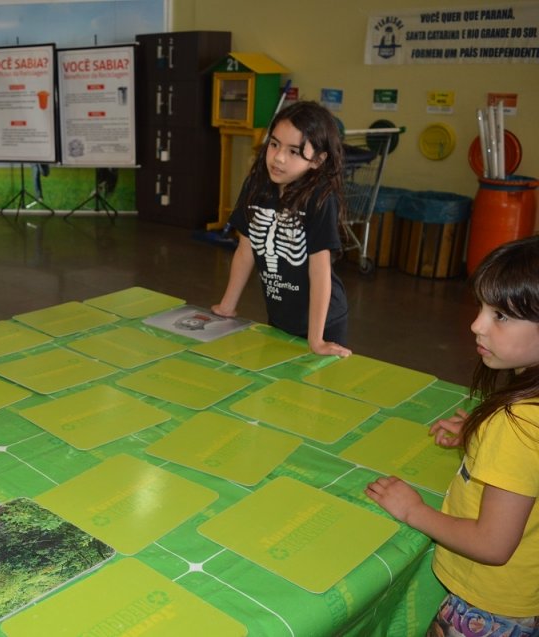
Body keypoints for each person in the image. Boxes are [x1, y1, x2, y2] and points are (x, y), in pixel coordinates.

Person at [366, 235, 539, 636]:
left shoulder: (516, 426)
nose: (476, 324)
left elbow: (493, 544)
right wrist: (479, 435)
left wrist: (414, 511)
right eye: (482, 308)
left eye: (502, 316)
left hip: (488, 608)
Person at [211, 100, 351, 357]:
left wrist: (316, 340)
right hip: (280, 313)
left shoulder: (320, 197)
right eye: (274, 144)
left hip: (323, 320)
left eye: (294, 152)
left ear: (318, 160)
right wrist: (227, 305)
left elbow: (320, 268)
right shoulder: (257, 186)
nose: (278, 157)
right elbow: (246, 248)